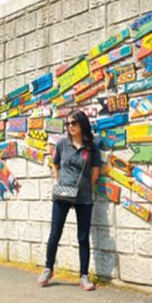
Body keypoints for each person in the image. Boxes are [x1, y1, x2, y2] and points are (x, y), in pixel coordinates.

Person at [38, 109, 102, 291]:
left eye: (74, 123)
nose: (70, 127)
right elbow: (55, 165)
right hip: (62, 194)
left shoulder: (92, 147)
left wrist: (82, 186)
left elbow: (96, 171)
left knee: (83, 237)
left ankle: (84, 276)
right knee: (55, 233)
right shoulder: (62, 144)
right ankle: (48, 268)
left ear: (82, 124)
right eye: (68, 124)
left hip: (83, 197)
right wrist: (62, 182)